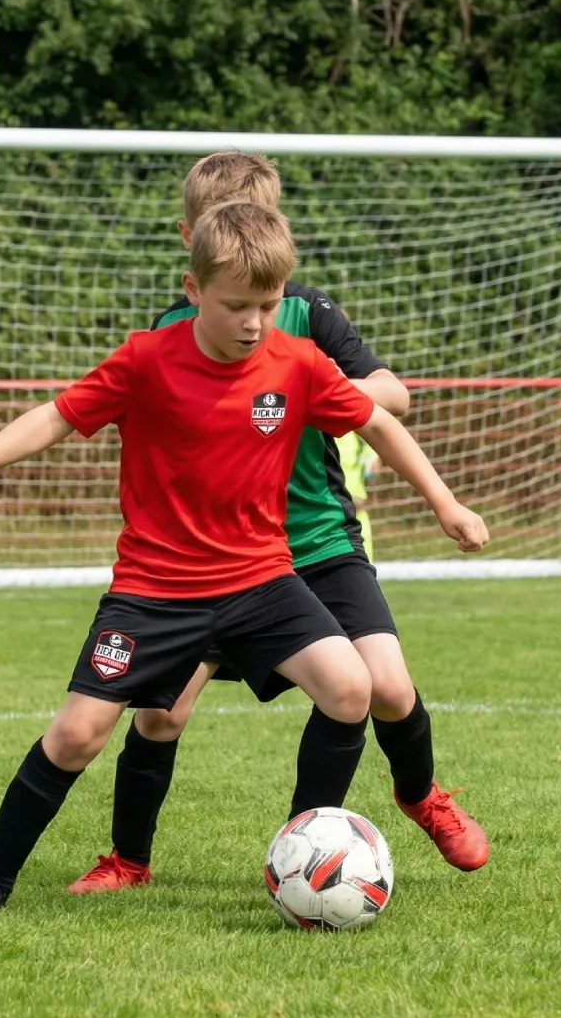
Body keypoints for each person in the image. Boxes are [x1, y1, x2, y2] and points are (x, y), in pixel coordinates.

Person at [0, 200, 489, 915]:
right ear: (193, 290)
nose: (254, 322)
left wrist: (445, 503)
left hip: (261, 581)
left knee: (350, 687)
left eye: (268, 305)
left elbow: (378, 421)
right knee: (77, 734)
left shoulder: (298, 362)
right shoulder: (146, 358)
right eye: (236, 306)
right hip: (154, 591)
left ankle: (303, 854)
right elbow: (58, 417)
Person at [68, 153, 490, 901]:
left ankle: (418, 795)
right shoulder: (171, 333)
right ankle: (128, 858)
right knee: (162, 714)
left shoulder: (306, 315)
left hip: (318, 545)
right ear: (192, 239)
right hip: (212, 563)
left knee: (387, 687)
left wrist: (300, 385)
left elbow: (393, 395)